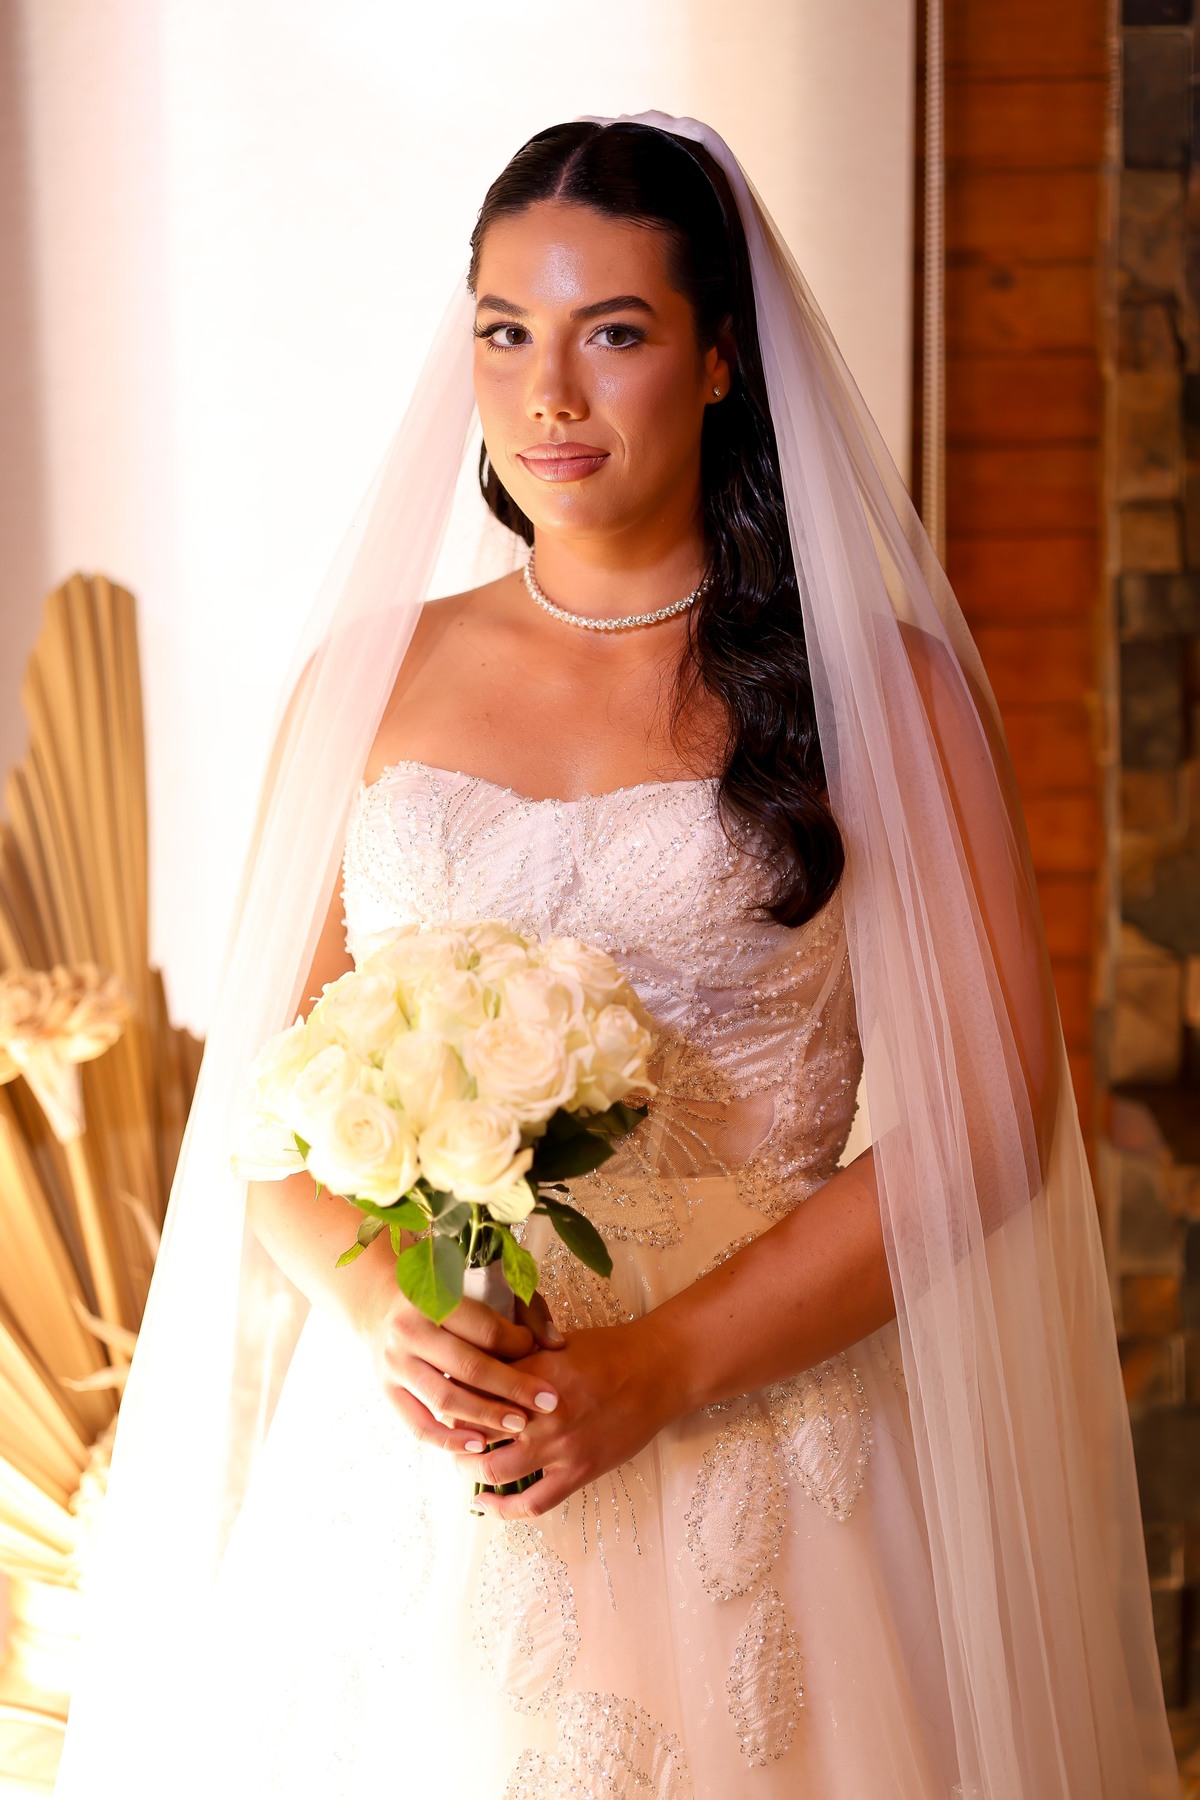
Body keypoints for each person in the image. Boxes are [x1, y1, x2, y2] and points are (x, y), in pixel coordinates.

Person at [55, 115, 1179, 1800]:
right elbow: (263, 1112)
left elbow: (992, 1123)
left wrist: (659, 1371)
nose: (549, 396)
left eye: (616, 333)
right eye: (507, 332)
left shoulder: (879, 689)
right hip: (425, 1474)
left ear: (721, 358)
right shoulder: (371, 679)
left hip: (760, 1448)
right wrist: (381, 1307)